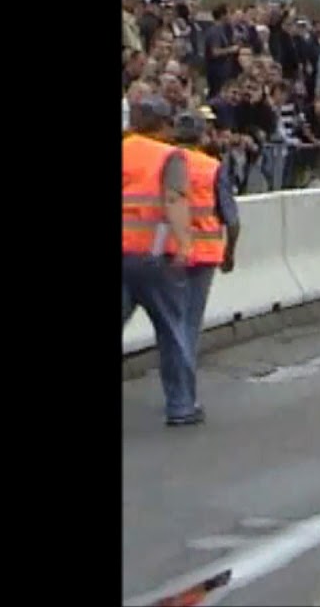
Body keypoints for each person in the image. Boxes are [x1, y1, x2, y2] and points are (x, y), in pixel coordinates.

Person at [122, 97, 203, 427]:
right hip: (155, 256)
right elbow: (174, 199)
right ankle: (181, 405)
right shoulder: (170, 156)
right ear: (165, 125)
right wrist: (184, 244)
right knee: (173, 329)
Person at [170, 110, 241, 364]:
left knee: (172, 319)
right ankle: (183, 388)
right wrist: (229, 253)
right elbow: (231, 220)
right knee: (190, 321)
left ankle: (175, 376)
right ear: (202, 136)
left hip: (170, 251)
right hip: (204, 254)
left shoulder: (162, 163)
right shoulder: (212, 167)